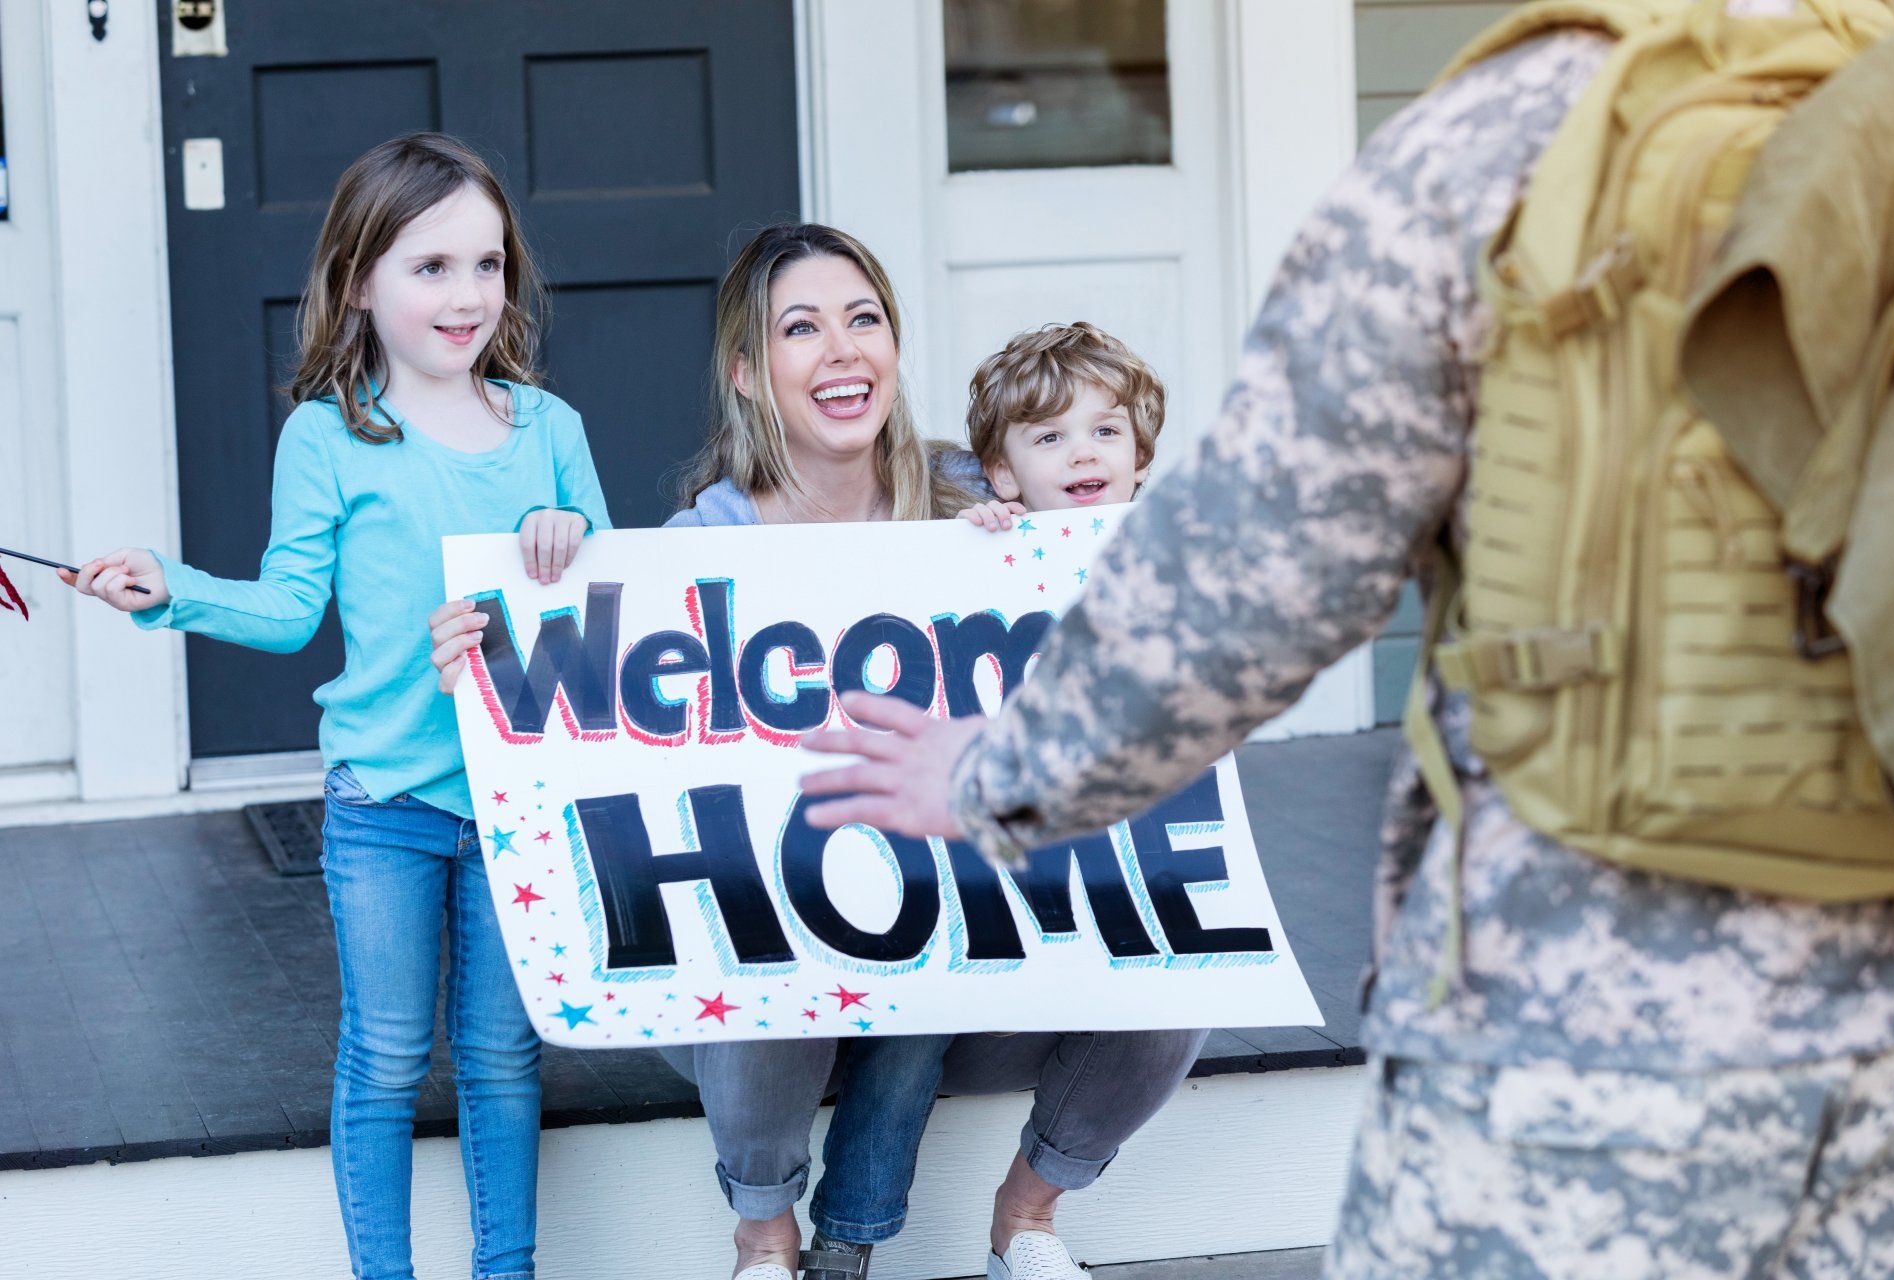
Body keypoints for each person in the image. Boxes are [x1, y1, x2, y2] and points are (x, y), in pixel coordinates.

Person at [795, 19, 1894, 1280]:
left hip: (1580, 1000)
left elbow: (1258, 570)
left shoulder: (1493, 141)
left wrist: (997, 767)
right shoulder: (1893, 89)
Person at [430, 224, 1202, 1280]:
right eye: (802, 328)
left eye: (863, 319)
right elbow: (598, 731)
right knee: (772, 945)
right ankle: (765, 1236)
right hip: (770, 991)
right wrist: (500, 651)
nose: (841, 350)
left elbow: (1115, 565)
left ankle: (1026, 1217)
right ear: (750, 372)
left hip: (965, 945)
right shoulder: (697, 550)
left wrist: (1045, 553)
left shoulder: (984, 501)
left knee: (1185, 959)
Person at [67, 132, 609, 1280]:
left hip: (523, 804)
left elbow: (615, 625)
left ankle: (502, 1269)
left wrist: (568, 554)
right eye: (430, 267)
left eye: (487, 263)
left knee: (504, 1055)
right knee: (385, 1052)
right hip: (385, 798)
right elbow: (286, 606)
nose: (468, 294)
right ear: (361, 279)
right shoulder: (328, 435)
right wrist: (175, 589)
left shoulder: (550, 433)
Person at [956, 320, 1163, 532]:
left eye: (1105, 431)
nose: (1083, 454)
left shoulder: (1173, 546)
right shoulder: (993, 544)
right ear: (1004, 474)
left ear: (1139, 457)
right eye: (1050, 437)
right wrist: (969, 540)